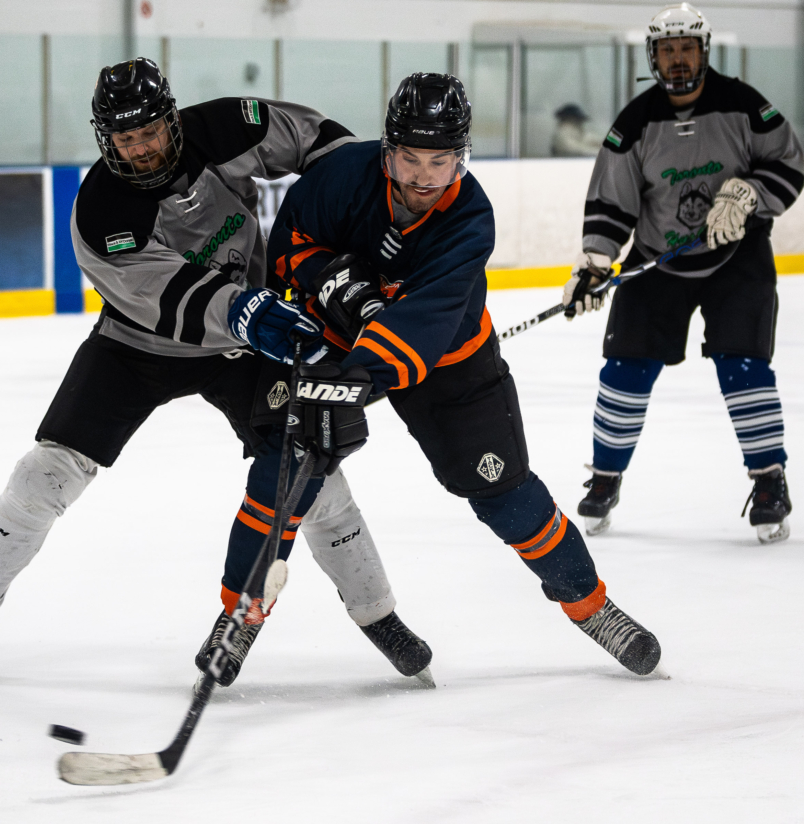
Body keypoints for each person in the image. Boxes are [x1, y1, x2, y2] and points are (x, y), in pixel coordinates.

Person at [0, 58, 433, 688]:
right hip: (138, 346)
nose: (141, 148)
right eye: (125, 139)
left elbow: (320, 142)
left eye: (151, 131)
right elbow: (168, 298)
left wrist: (359, 212)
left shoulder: (224, 128)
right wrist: (248, 309)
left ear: (171, 118)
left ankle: (380, 618)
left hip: (241, 344)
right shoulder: (101, 212)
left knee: (311, 472)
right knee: (42, 474)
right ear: (106, 138)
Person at [255, 71, 663, 677]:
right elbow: (287, 247)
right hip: (342, 347)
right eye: (410, 158)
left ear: (460, 160)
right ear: (389, 149)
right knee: (292, 458)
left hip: (450, 366)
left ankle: (591, 605)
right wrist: (333, 276)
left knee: (505, 496)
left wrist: (355, 379)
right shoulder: (343, 177)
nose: (422, 176)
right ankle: (243, 616)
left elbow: (421, 326)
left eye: (439, 161)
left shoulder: (471, 217)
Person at [563, 3, 803, 543]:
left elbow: (788, 163)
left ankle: (768, 480)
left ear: (703, 50)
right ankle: (605, 478)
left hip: (735, 256)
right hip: (658, 260)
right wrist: (596, 261)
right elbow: (611, 202)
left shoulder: (744, 104)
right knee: (625, 368)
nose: (677, 59)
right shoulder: (635, 123)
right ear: (654, 56)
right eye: (667, 50)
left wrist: (748, 194)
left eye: (686, 48)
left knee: (743, 365)